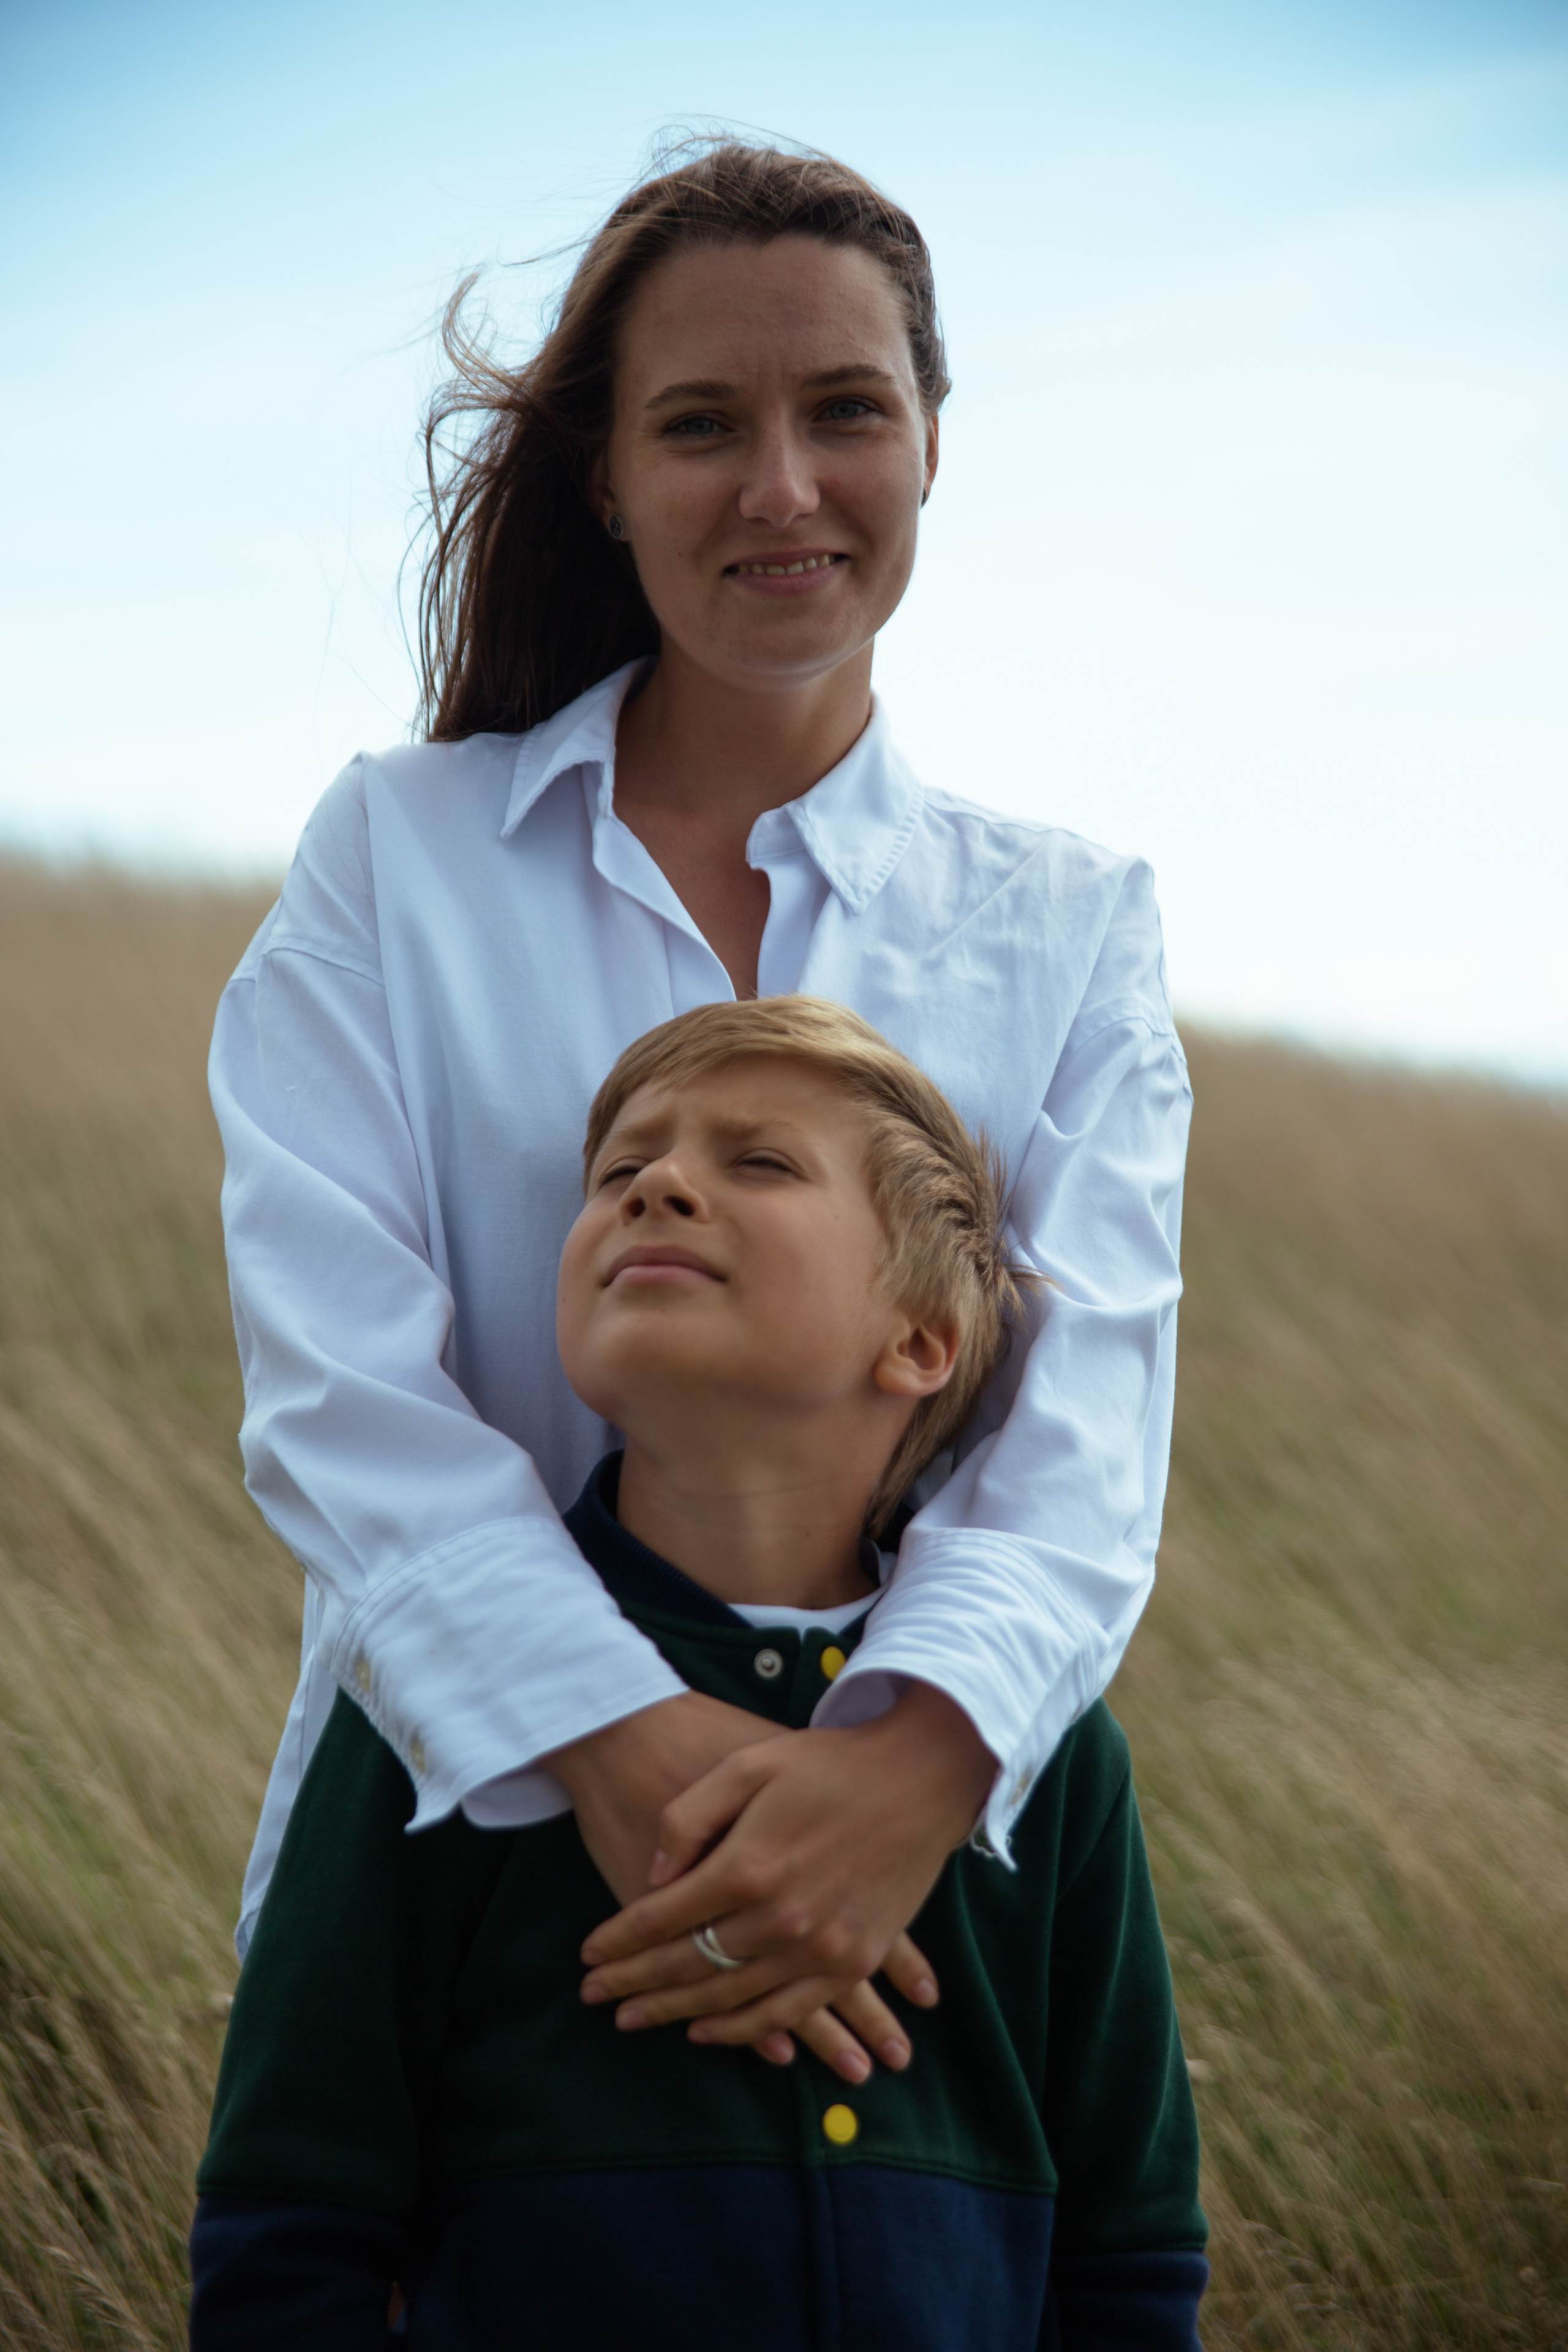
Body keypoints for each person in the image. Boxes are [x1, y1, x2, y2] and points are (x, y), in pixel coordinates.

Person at [209, 138, 1192, 2080]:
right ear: (608, 474)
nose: (782, 487)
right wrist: (624, 1741)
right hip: (454, 1840)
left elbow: (1084, 1434)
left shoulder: (1069, 929)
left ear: (930, 441)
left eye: (847, 410)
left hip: (905, 1918)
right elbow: (341, 1393)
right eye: (699, 424)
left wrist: (902, 1785)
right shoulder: (396, 863)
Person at [190, 1000, 1208, 2351]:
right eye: (617, 1174)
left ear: (919, 1341)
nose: (656, 1183)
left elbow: (1129, 2261)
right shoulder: (434, 1713)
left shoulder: (1041, 1756)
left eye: (760, 1163)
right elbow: (288, 2225)